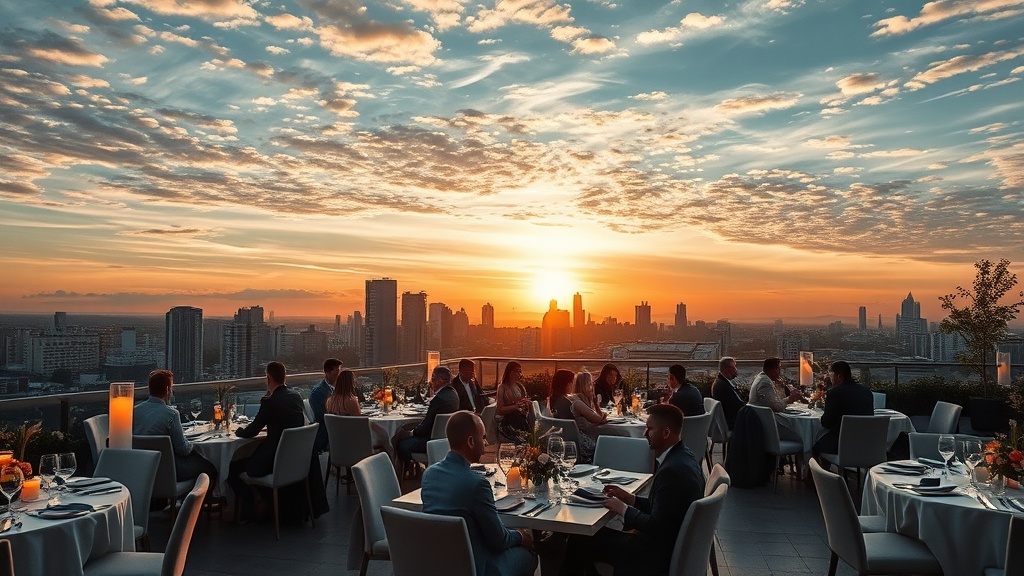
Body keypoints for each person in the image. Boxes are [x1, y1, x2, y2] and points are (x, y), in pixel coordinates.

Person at [560, 404, 704, 576]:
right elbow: (665, 509)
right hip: (666, 545)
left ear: (666, 433)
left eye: (650, 429)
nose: (645, 434)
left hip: (652, 555)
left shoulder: (672, 472)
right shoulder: (685, 457)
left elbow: (656, 525)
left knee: (579, 539)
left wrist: (623, 509)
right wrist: (631, 499)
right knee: (585, 540)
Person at [422, 411, 537, 576]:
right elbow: (499, 541)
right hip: (478, 566)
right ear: (470, 441)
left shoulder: (429, 475)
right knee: (530, 554)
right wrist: (520, 536)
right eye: (483, 437)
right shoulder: (477, 484)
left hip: (441, 563)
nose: (486, 442)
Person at [227, 361, 305, 515]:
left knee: (231, 468)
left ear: (268, 378)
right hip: (294, 462)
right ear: (284, 376)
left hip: (273, 462)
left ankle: (254, 507)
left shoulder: (271, 402)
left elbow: (251, 432)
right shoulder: (296, 396)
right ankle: (266, 502)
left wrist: (237, 431)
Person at [133, 369, 218, 485]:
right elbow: (183, 450)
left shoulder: (134, 411)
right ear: (167, 390)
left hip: (141, 470)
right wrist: (193, 444)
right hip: (169, 471)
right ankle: (196, 496)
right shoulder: (171, 414)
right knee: (212, 470)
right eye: (172, 387)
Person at [393, 365, 459, 466]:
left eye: (433, 378)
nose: (431, 381)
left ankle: (405, 471)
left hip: (430, 441)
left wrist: (411, 432)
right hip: (446, 440)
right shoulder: (453, 394)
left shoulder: (439, 399)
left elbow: (425, 427)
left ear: (441, 380)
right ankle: (414, 469)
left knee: (400, 444)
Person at [813, 360, 873, 457]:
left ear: (839, 376)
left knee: (814, 445)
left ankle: (818, 467)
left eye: (831, 376)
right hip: (865, 443)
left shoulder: (834, 393)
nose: (830, 379)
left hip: (842, 444)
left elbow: (826, 423)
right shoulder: (866, 392)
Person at [326, 369, 390, 453]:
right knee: (385, 436)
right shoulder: (350, 400)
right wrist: (372, 419)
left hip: (338, 440)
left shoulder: (330, 400)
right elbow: (359, 422)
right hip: (354, 439)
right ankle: (387, 459)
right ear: (351, 383)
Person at [567, 371, 608, 462]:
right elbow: (599, 419)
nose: (592, 387)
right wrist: (596, 404)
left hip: (583, 439)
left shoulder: (581, 399)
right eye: (589, 384)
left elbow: (599, 418)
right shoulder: (577, 402)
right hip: (584, 445)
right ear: (583, 386)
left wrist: (595, 403)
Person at [309, 358, 342, 453]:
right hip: (327, 434)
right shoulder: (318, 393)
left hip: (336, 429)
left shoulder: (337, 388)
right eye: (337, 371)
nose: (339, 374)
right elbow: (321, 416)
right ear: (328, 372)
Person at [495, 361, 532, 441]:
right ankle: (524, 437)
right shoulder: (502, 388)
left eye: (520, 371)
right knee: (515, 415)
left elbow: (523, 403)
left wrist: (526, 403)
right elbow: (499, 409)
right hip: (507, 419)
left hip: (519, 416)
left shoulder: (519, 387)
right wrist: (516, 406)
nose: (520, 374)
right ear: (511, 373)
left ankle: (527, 436)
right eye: (517, 371)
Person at [711, 356, 746, 429]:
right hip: (735, 424)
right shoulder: (723, 387)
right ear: (727, 369)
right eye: (734, 367)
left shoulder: (722, 382)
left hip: (734, 420)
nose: (736, 370)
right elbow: (736, 408)